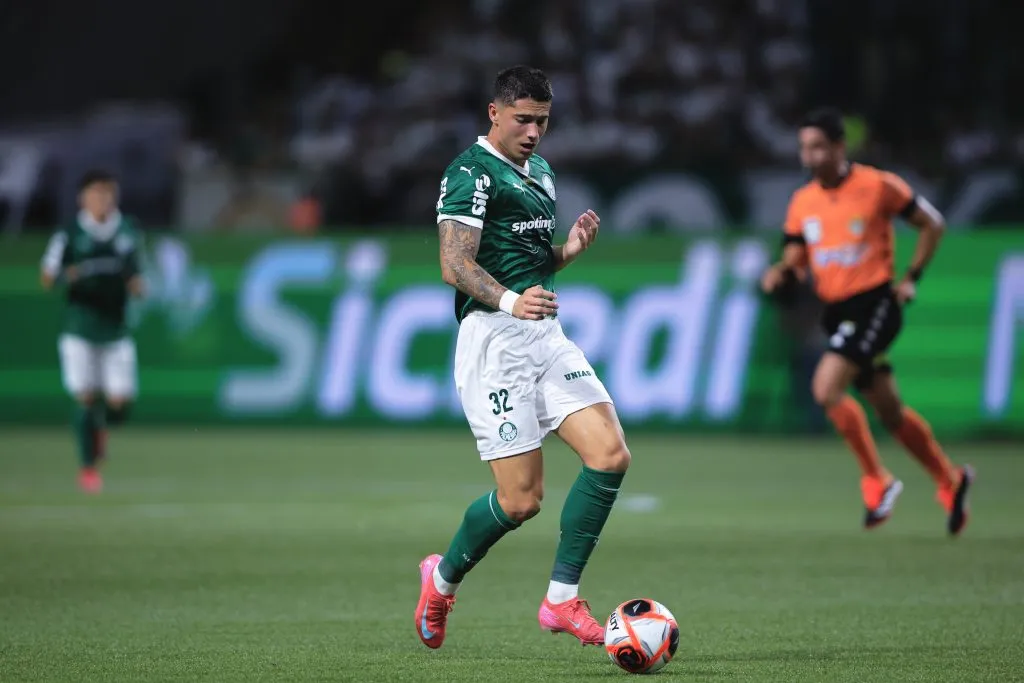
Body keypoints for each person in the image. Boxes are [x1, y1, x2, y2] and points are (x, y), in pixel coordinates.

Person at [415, 66, 631, 650]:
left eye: (543, 121)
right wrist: (513, 301)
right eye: (523, 120)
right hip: (494, 343)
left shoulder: (540, 172)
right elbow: (454, 265)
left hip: (545, 335)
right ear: (494, 113)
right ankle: (440, 580)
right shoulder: (470, 172)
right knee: (521, 500)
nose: (534, 132)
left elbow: (526, 262)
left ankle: (561, 601)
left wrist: (567, 253)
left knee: (610, 455)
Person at [761, 108, 973, 535]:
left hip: (875, 303)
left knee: (825, 388)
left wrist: (911, 278)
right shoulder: (804, 202)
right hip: (837, 311)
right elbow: (795, 258)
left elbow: (932, 224)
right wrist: (780, 274)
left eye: (819, 146)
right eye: (804, 148)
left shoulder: (878, 186)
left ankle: (879, 478)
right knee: (890, 411)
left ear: (840, 147)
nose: (810, 156)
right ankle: (950, 480)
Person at [40, 170, 145, 493]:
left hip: (115, 328)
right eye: (96, 193)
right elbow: (46, 277)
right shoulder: (70, 234)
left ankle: (101, 430)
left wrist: (138, 286)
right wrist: (66, 276)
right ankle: (87, 468)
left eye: (108, 193)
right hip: (79, 326)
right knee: (85, 396)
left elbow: (136, 275)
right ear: (82, 198)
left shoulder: (127, 230)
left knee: (120, 401)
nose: (103, 200)